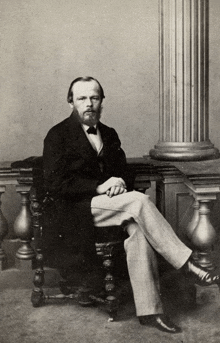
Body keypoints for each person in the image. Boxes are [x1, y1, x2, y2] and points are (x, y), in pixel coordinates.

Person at [43, 76, 220, 334]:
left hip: (114, 207)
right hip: (77, 211)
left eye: (94, 98)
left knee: (138, 232)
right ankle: (187, 264)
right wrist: (99, 187)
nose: (89, 104)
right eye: (82, 98)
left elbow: (124, 174)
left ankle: (150, 311)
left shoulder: (110, 134)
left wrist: (117, 183)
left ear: (102, 101)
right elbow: (54, 183)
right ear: (71, 102)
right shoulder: (57, 135)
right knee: (139, 201)